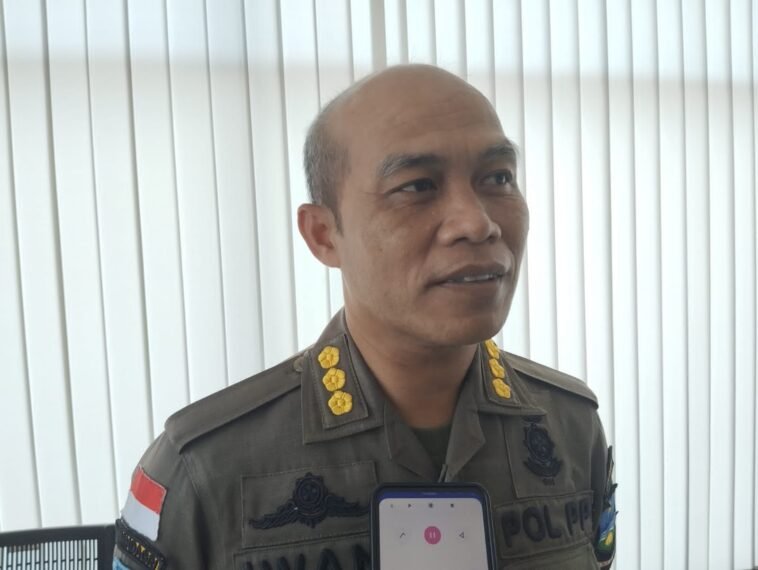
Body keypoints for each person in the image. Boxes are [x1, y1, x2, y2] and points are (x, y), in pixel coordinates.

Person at [113, 64, 616, 569]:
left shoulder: (571, 429)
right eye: (417, 186)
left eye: (498, 178)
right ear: (323, 235)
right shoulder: (205, 469)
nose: (477, 223)